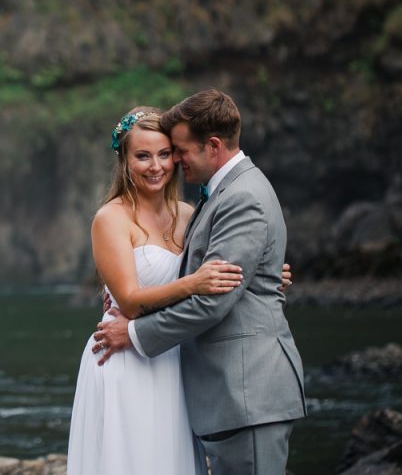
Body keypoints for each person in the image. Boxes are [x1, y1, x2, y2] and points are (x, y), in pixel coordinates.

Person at [67, 106, 292, 475]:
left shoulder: (189, 214)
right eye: (142, 155)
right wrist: (192, 282)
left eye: (165, 154)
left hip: (172, 358)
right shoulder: (111, 218)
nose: (156, 166)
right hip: (123, 354)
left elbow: (226, 264)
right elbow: (131, 301)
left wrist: (261, 274)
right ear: (124, 160)